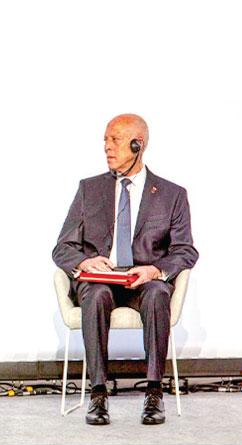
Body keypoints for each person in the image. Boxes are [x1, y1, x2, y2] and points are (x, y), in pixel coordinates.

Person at [52, 114, 199, 426]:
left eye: (114, 140)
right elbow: (62, 248)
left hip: (142, 281)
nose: (106, 147)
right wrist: (83, 262)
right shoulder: (89, 189)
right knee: (94, 293)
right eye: (105, 140)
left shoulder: (172, 195)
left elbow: (185, 250)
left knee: (159, 292)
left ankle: (155, 392)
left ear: (137, 145)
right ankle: (98, 393)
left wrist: (155, 270)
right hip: (101, 281)